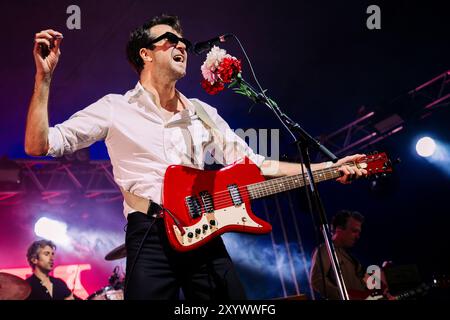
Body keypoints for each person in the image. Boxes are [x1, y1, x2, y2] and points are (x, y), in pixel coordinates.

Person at [25, 14, 367, 300]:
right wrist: (44, 77)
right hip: (150, 236)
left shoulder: (203, 112)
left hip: (202, 231)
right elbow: (39, 145)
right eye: (171, 39)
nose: (182, 46)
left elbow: (254, 164)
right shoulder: (115, 107)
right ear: (145, 54)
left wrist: (330, 166)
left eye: (184, 42)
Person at [310, 210, 369, 300]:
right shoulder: (326, 249)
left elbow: (364, 282)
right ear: (339, 229)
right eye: (354, 231)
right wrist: (345, 296)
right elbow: (317, 280)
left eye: (359, 232)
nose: (358, 236)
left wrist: (382, 274)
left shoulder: (349, 256)